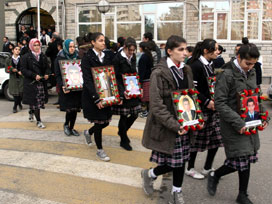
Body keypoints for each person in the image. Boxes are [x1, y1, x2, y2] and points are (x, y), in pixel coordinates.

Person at [207, 39, 269, 204]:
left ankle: (242, 194)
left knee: (246, 157)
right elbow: (220, 103)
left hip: (250, 120)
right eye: (247, 63)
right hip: (233, 124)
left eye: (253, 64)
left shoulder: (252, 71)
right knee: (239, 159)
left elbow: (255, 96)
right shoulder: (225, 74)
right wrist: (238, 122)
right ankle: (216, 175)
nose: (250, 66)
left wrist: (264, 115)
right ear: (238, 56)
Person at [141, 35, 195, 204]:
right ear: (169, 51)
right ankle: (149, 174)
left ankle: (176, 192)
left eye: (186, 49)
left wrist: (194, 118)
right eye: (180, 49)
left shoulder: (186, 70)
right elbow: (156, 106)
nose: (185, 53)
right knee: (174, 161)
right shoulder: (159, 73)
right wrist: (174, 124)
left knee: (182, 160)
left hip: (186, 123)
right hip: (167, 126)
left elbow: (191, 97)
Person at [186, 39, 223, 179]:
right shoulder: (195, 65)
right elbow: (192, 88)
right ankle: (190, 168)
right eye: (216, 49)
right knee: (196, 140)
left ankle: (208, 167)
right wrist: (206, 101)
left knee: (216, 139)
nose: (218, 52)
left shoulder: (210, 64)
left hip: (213, 108)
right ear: (206, 51)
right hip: (200, 108)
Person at [82, 32, 112, 162]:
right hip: (92, 95)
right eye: (100, 40)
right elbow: (87, 80)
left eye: (104, 40)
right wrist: (96, 98)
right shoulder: (87, 58)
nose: (103, 43)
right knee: (99, 121)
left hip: (106, 93)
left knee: (106, 121)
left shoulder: (107, 56)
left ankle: (88, 132)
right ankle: (100, 150)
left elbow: (110, 74)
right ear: (93, 42)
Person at [112, 37, 142, 151]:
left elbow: (135, 73)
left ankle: (122, 132)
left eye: (133, 50)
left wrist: (138, 86)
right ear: (124, 48)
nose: (132, 53)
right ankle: (123, 139)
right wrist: (122, 92)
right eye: (130, 50)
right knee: (124, 116)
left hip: (132, 88)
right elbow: (115, 77)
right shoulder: (117, 58)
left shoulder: (133, 57)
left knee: (135, 114)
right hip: (123, 90)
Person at [21, 38, 51, 128]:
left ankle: (31, 111)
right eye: (35, 45)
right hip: (31, 83)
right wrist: (34, 75)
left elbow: (47, 67)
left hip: (41, 82)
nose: (37, 47)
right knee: (35, 103)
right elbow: (23, 70)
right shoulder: (25, 57)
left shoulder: (42, 56)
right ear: (31, 46)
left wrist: (46, 74)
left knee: (38, 102)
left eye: (38, 45)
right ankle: (39, 121)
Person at [55, 39, 82, 136]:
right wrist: (62, 85)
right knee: (69, 109)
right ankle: (66, 125)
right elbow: (57, 75)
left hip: (76, 88)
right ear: (66, 47)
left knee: (75, 109)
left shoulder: (77, 58)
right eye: (70, 47)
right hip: (66, 88)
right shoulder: (59, 58)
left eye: (73, 47)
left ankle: (72, 127)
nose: (72, 49)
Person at [5, 45, 24, 113]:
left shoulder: (22, 58)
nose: (17, 51)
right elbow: (6, 69)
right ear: (13, 50)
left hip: (21, 78)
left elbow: (25, 67)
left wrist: (22, 71)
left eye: (19, 49)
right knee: (15, 94)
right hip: (13, 79)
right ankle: (15, 107)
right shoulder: (8, 59)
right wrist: (12, 70)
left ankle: (19, 103)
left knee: (21, 94)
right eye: (16, 49)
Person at [138, 41, 153, 118]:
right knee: (148, 97)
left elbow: (142, 70)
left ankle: (145, 112)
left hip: (145, 79)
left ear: (141, 48)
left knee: (144, 97)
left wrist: (140, 80)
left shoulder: (143, 57)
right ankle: (148, 112)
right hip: (149, 78)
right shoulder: (149, 55)